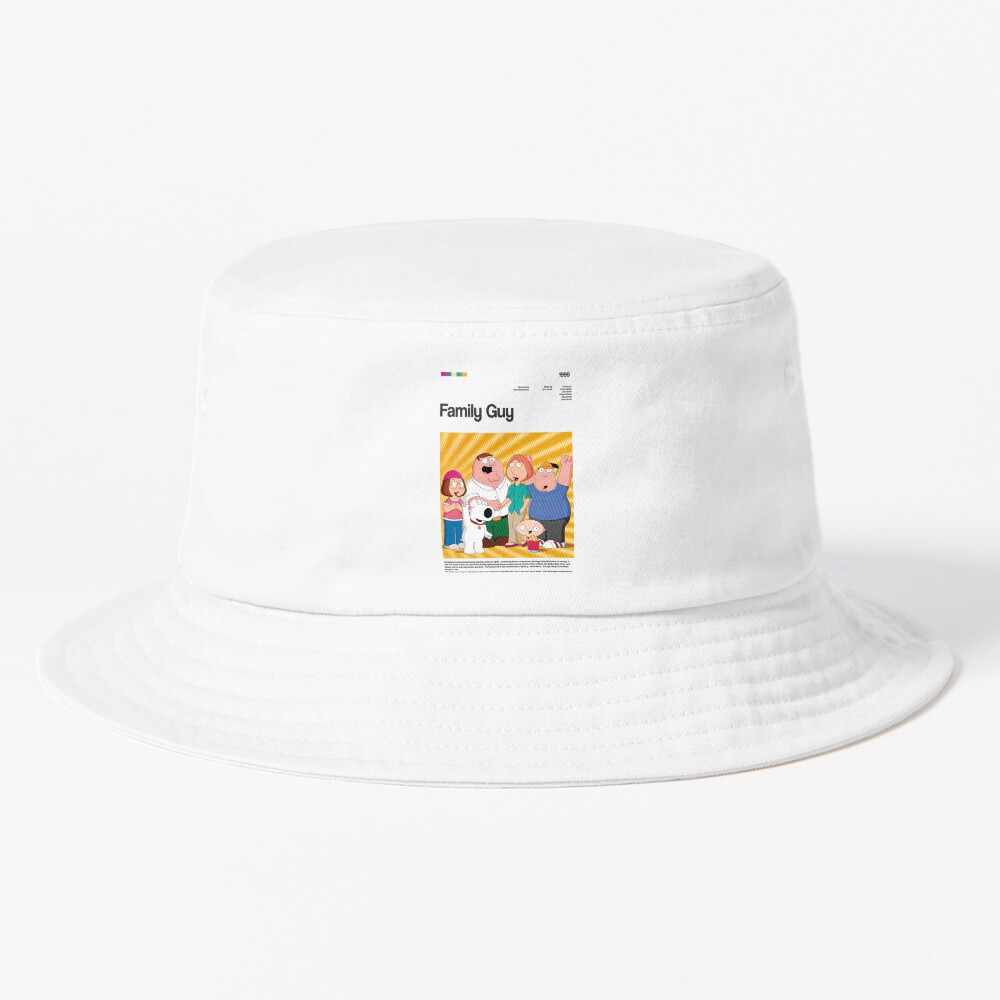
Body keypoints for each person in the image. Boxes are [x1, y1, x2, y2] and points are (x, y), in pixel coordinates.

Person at [464, 453, 510, 546]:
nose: (490, 464)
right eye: (485, 461)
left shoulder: (505, 482)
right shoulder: (472, 484)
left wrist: (504, 504)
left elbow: (511, 495)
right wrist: (488, 503)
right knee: (482, 533)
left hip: (503, 518)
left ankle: (501, 537)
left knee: (503, 536)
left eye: (492, 460)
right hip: (483, 520)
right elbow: (470, 500)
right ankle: (483, 539)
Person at [525, 454, 572, 545]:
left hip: (557, 519)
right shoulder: (534, 490)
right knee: (538, 531)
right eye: (541, 470)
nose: (544, 474)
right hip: (536, 519)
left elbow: (565, 479)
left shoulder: (559, 489)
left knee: (554, 530)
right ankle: (540, 539)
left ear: (555, 475)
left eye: (549, 471)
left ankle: (556, 541)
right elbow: (529, 480)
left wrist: (567, 465)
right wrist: (528, 464)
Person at [503, 454, 533, 547]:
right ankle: (513, 540)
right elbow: (508, 497)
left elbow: (528, 497)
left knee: (517, 524)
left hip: (520, 508)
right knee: (511, 525)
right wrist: (501, 504)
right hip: (511, 508)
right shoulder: (511, 487)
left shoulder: (523, 487)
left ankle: (524, 539)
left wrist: (524, 507)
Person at [440, 470, 466, 549]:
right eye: (454, 484)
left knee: (459, 531)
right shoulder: (448, 500)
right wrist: (452, 507)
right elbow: (445, 509)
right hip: (449, 520)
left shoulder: (460, 501)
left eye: (460, 484)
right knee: (450, 531)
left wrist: (459, 507)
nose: (458, 487)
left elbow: (464, 510)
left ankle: (459, 541)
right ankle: (449, 543)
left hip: (459, 519)